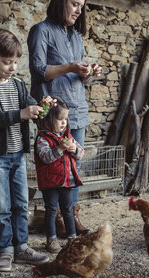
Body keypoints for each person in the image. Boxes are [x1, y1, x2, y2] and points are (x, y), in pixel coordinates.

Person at [0, 29, 49, 272]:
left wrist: (41, 107)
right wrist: (22, 114)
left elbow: (30, 107)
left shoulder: (18, 84)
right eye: (6, 62)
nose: (12, 67)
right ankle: (5, 252)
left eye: (15, 62)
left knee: (21, 203)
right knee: (1, 206)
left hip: (17, 156)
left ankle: (22, 248)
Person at [27, 0, 102, 237]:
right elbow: (39, 69)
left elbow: (76, 76)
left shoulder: (76, 36)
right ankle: (56, 216)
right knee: (53, 162)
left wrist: (88, 72)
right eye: (74, 3)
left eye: (82, 5)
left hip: (75, 106)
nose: (79, 9)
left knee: (73, 162)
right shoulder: (42, 30)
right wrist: (70, 66)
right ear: (60, 3)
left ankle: (72, 216)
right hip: (52, 110)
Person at [34, 97, 84, 253]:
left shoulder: (68, 137)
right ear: (49, 119)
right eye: (60, 119)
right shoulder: (43, 138)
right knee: (51, 211)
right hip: (50, 183)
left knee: (68, 210)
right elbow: (45, 157)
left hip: (67, 181)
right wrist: (60, 149)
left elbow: (81, 153)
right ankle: (51, 240)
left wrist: (73, 150)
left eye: (66, 119)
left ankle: (72, 238)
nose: (64, 123)